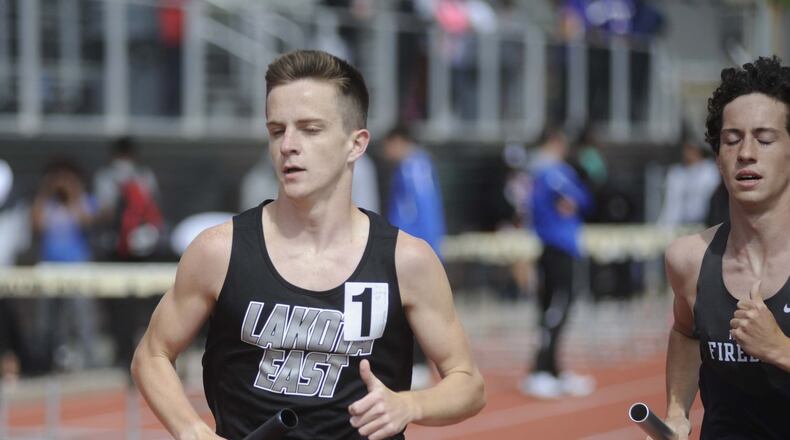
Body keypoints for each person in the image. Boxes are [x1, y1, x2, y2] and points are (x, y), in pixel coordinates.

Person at [132, 49, 485, 440]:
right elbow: (152, 354)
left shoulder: (406, 260)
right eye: (277, 130)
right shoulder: (219, 251)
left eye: (310, 129)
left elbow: (468, 383)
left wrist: (410, 405)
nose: (288, 145)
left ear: (356, 144)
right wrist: (192, 431)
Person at [662, 56, 790, 439]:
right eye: (731, 140)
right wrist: (676, 411)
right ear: (718, 158)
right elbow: (685, 333)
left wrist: (780, 348)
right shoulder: (688, 259)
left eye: (764, 139)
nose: (746, 152)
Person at [519, 127, 595, 399]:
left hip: (559, 246)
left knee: (556, 309)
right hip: (557, 247)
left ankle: (552, 369)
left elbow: (581, 199)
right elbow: (578, 198)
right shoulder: (549, 172)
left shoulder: (548, 173)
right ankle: (540, 370)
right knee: (555, 309)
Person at [656, 139, 720, 226]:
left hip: (707, 223)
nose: (687, 153)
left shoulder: (711, 171)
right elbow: (671, 205)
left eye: (691, 149)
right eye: (686, 149)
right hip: (682, 225)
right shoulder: (675, 173)